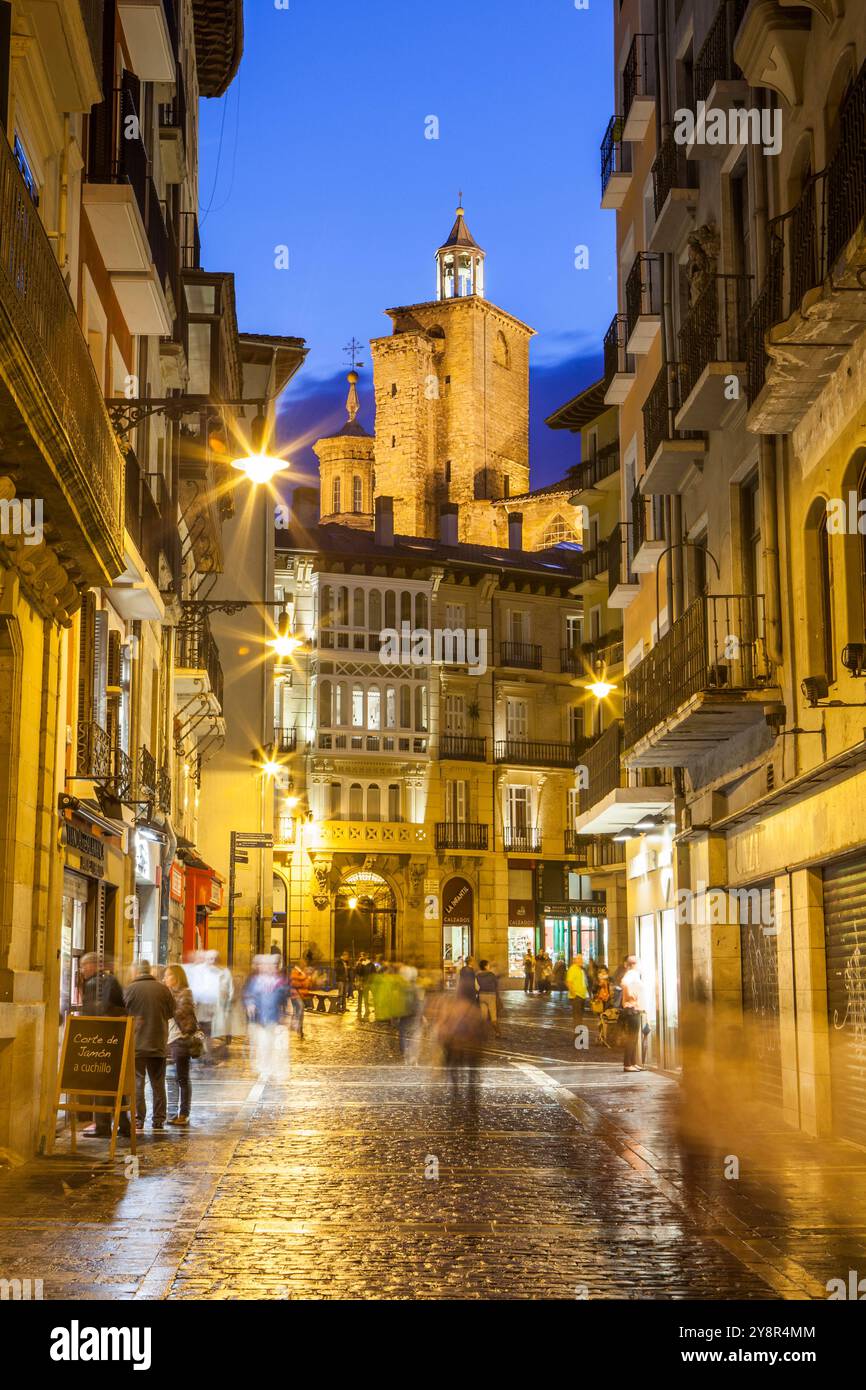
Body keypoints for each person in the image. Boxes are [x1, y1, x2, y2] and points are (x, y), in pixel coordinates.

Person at [79, 954, 127, 1138]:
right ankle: (123, 1123)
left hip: (98, 1040)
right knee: (116, 1084)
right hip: (114, 1038)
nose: (82, 970)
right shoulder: (111, 980)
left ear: (92, 965)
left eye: (84, 966)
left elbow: (91, 1013)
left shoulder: (94, 985)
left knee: (101, 1084)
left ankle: (102, 1125)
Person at [124, 961, 175, 1133]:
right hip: (158, 1042)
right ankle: (159, 1119)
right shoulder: (163, 989)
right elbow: (170, 1012)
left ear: (137, 972)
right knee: (158, 1083)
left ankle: (138, 1119)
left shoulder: (130, 990)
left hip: (136, 1044)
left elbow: (124, 1015)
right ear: (150, 971)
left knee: (138, 1082)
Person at [164, 964, 199, 1127]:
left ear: (177, 977)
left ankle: (184, 1113)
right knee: (172, 1078)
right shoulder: (171, 994)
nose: (165, 979)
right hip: (171, 1039)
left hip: (181, 1039)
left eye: (169, 975)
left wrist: (170, 1006)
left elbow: (186, 1019)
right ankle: (172, 1112)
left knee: (182, 1078)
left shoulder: (185, 994)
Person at [620, 954, 643, 1072]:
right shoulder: (631, 974)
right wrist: (631, 995)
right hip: (631, 1008)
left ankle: (632, 1062)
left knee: (633, 1037)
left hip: (635, 1008)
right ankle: (627, 1064)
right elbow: (624, 983)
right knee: (631, 1037)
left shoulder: (634, 974)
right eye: (638, 962)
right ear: (633, 964)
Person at [476, 960, 501, 1036]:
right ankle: (497, 1032)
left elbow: (476, 987)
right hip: (491, 995)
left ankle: (481, 1033)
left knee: (483, 1015)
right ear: (485, 966)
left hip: (482, 995)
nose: (489, 966)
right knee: (493, 1016)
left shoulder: (478, 975)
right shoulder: (491, 975)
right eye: (488, 965)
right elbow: (496, 985)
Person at [566, 953, 588, 1029]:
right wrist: (574, 994)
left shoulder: (581, 969)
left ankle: (579, 1035)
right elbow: (569, 982)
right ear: (575, 960)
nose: (581, 961)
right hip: (577, 996)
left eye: (582, 959)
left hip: (582, 996)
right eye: (579, 959)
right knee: (577, 1018)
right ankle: (577, 1036)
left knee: (580, 1017)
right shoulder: (573, 969)